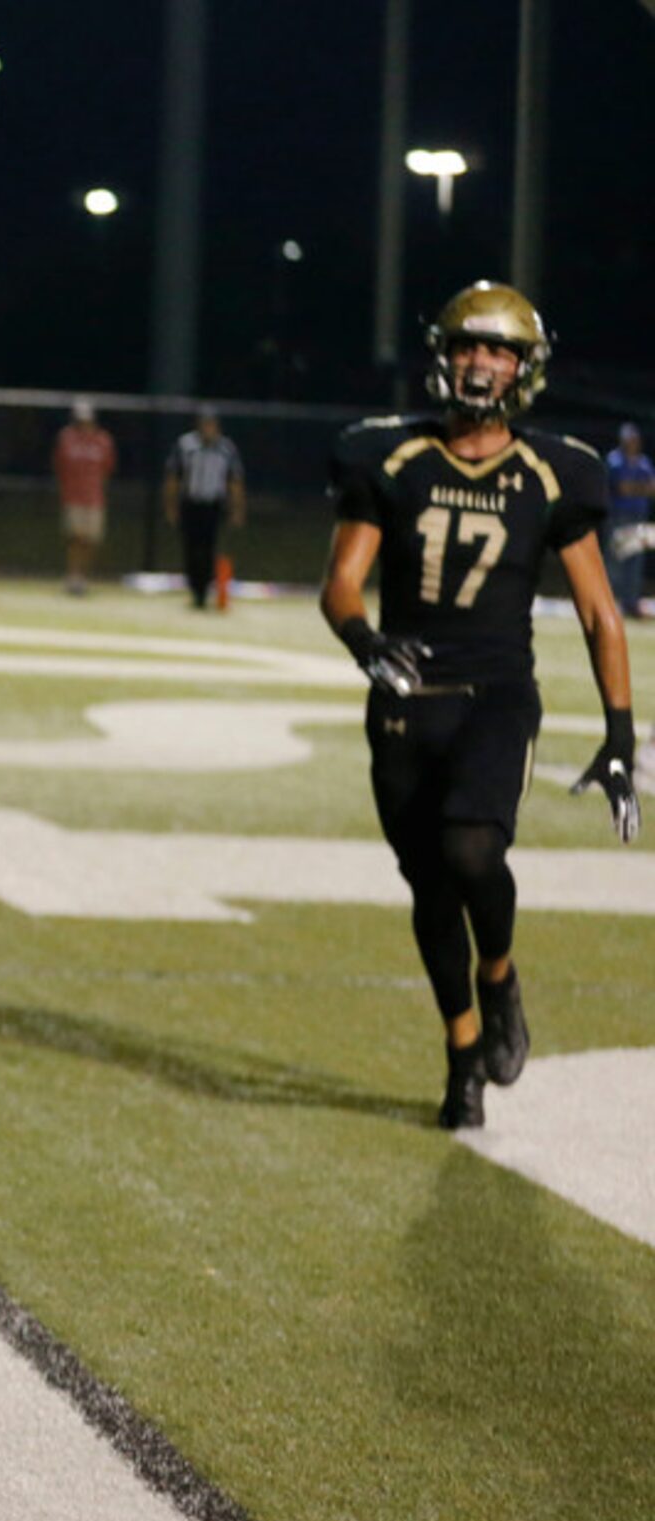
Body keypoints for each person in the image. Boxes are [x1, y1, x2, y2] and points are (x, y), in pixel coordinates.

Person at [321, 280, 637, 1131]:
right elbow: (342, 583)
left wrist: (620, 735)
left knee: (470, 853)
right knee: (428, 888)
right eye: (469, 345)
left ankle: (498, 976)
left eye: (499, 350)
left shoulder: (553, 470)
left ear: (524, 369)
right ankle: (462, 1054)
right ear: (443, 356)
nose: (481, 362)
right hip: (405, 697)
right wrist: (365, 642)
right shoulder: (389, 459)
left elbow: (601, 612)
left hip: (496, 695)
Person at [165, 406, 245, 608]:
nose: (208, 428)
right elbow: (173, 478)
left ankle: (204, 589)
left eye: (211, 424)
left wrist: (237, 508)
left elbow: (234, 481)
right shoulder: (185, 445)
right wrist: (171, 505)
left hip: (213, 505)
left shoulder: (226, 448)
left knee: (209, 549)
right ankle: (195, 588)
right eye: (205, 424)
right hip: (191, 503)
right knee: (191, 548)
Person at [52, 398, 117, 596]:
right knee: (75, 539)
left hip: (94, 498)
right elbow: (59, 465)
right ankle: (73, 576)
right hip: (73, 497)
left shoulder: (103, 440)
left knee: (90, 540)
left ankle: (84, 577)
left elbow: (108, 468)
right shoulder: (67, 438)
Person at [603, 421, 654, 620]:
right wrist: (640, 487)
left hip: (638, 518)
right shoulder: (615, 460)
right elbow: (623, 488)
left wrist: (636, 488)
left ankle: (630, 603)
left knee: (635, 562)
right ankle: (608, 603)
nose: (633, 443)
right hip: (619, 517)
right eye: (629, 440)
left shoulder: (643, 462)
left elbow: (652, 488)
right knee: (615, 560)